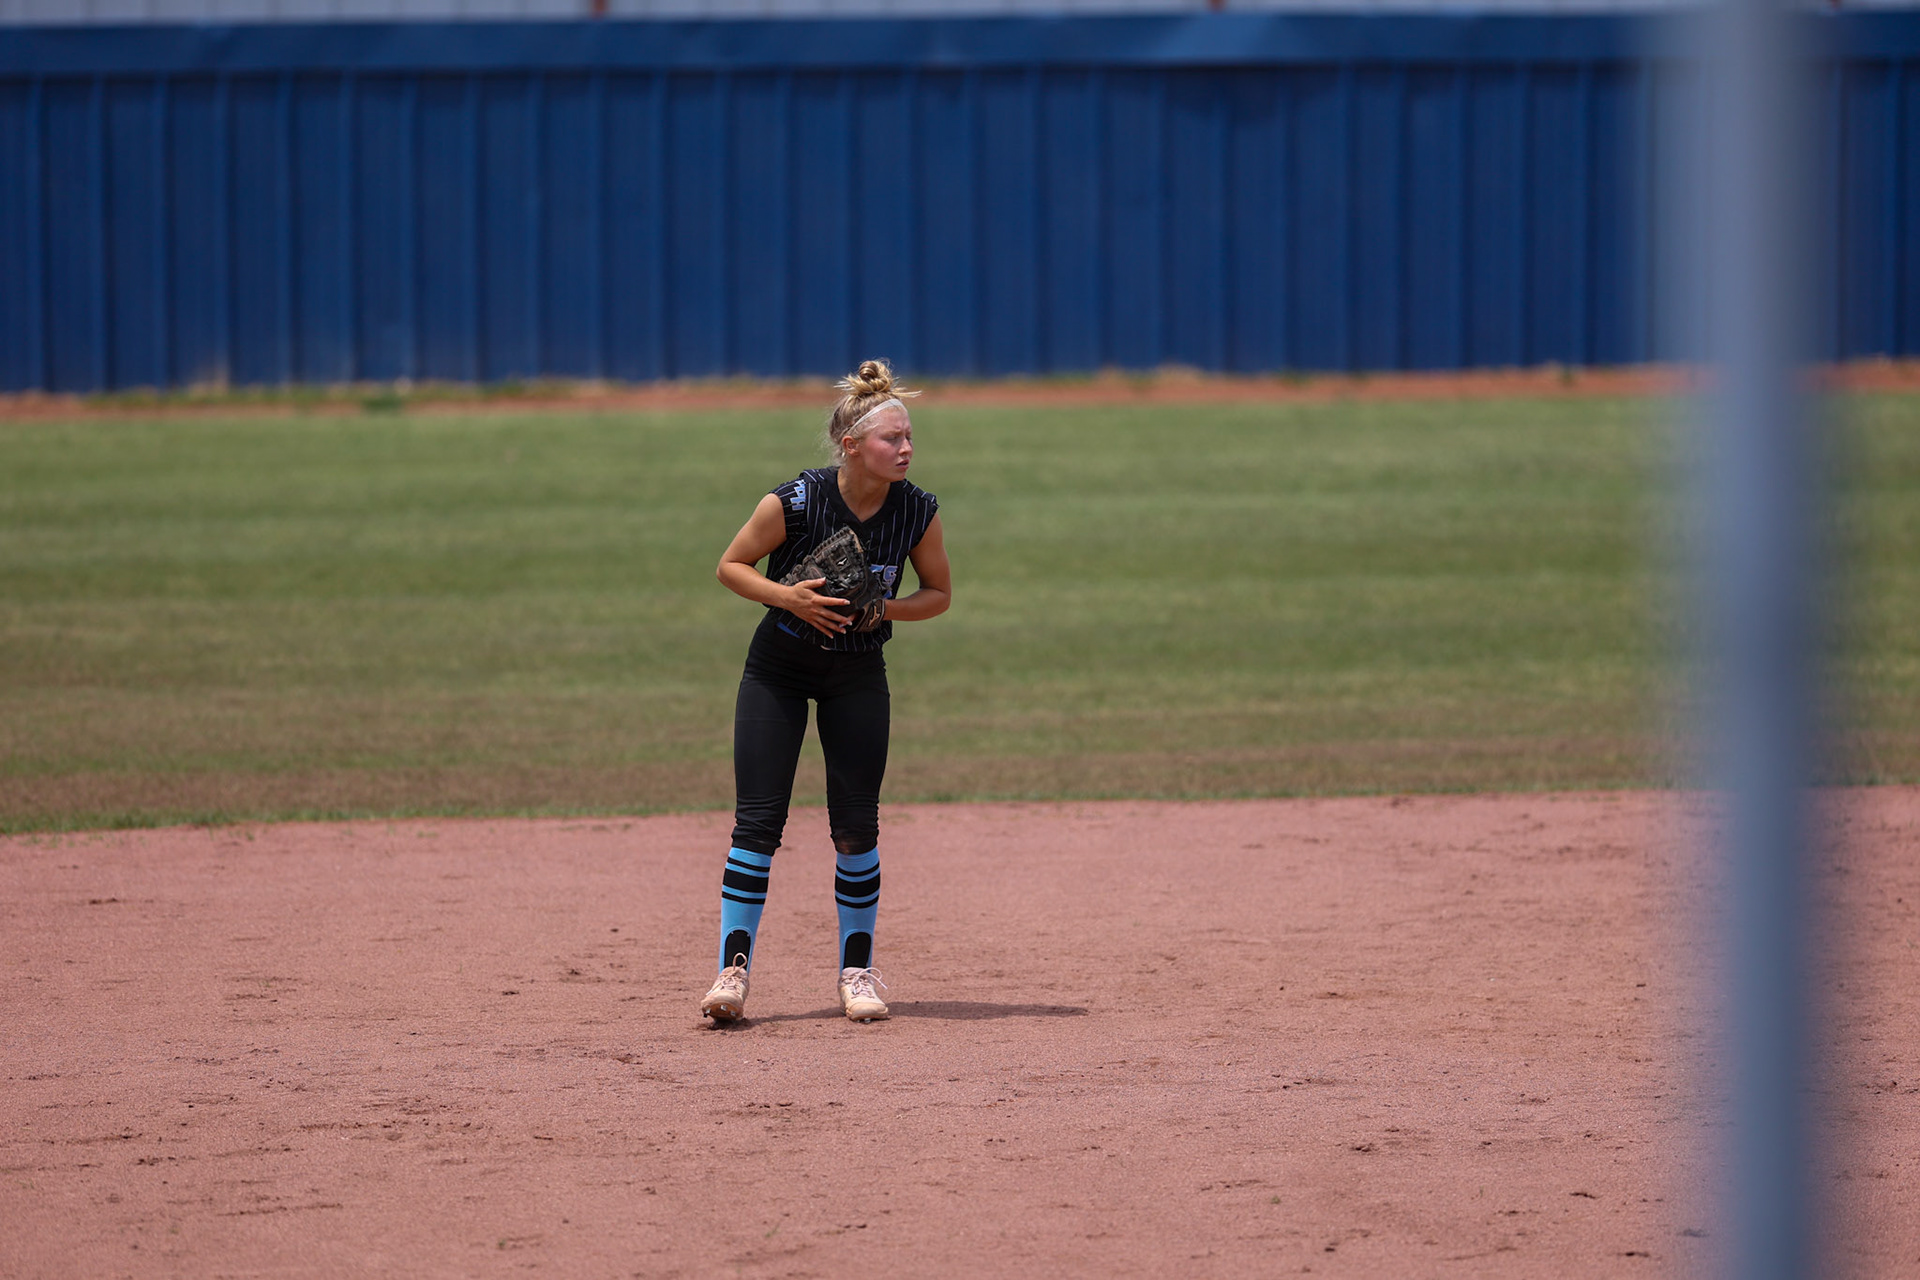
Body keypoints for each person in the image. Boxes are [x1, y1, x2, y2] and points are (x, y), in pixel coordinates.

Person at [699, 359, 951, 1025]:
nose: (905, 449)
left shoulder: (917, 512)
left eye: (908, 439)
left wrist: (883, 610)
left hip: (857, 675)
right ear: (851, 446)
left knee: (855, 830)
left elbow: (939, 595)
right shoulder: (798, 503)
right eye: (891, 439)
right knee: (757, 827)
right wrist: (788, 597)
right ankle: (732, 973)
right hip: (778, 671)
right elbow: (730, 566)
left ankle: (857, 973)